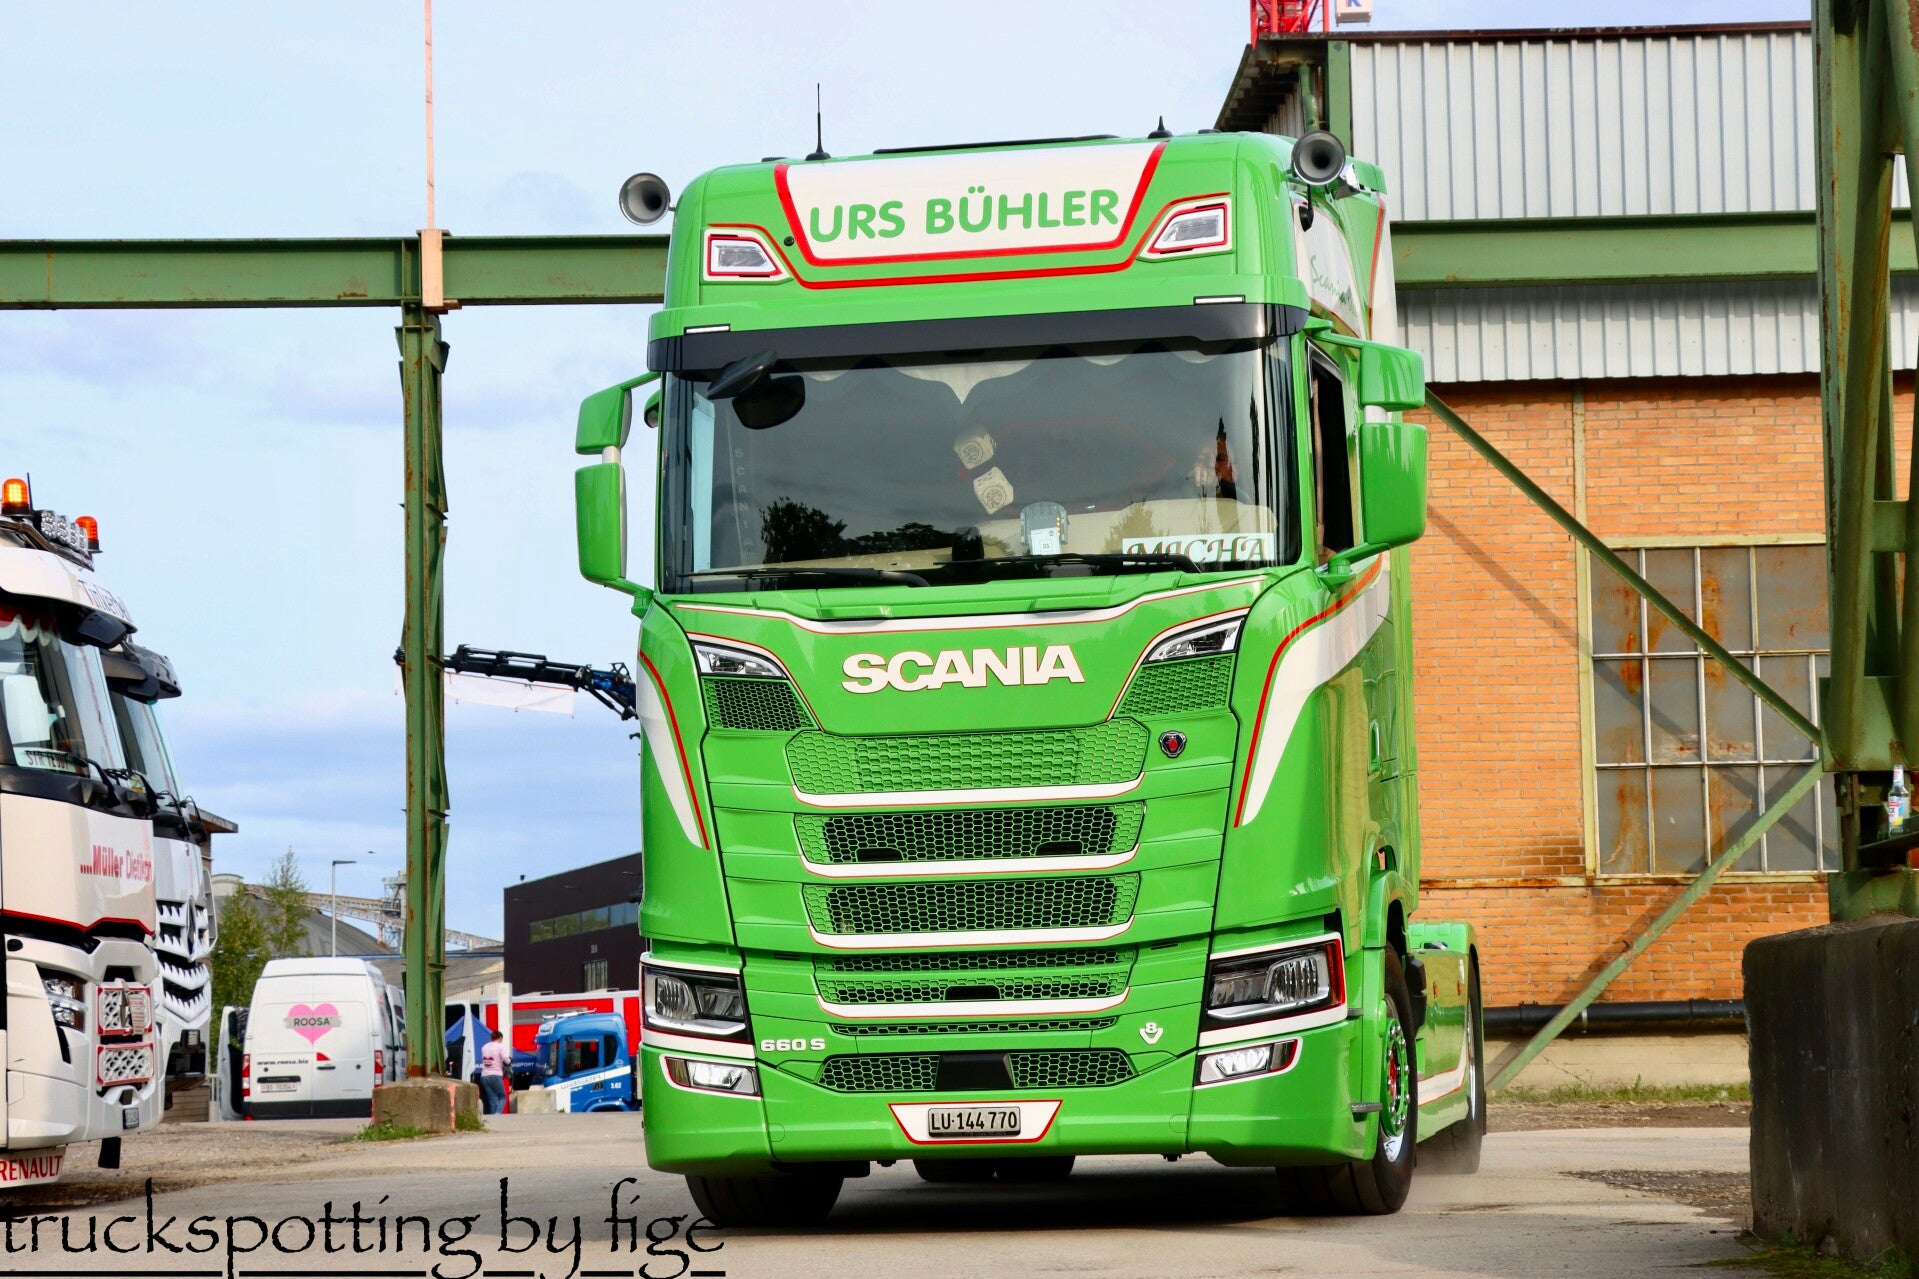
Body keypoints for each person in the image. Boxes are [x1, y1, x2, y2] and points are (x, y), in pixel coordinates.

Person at [478, 1027, 510, 1115]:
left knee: (492, 1098)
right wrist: (509, 1060)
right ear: (500, 1038)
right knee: (502, 1096)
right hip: (496, 1074)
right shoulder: (501, 1046)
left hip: (484, 1075)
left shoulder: (484, 1047)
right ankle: (498, 1113)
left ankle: (493, 1117)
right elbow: (506, 1060)